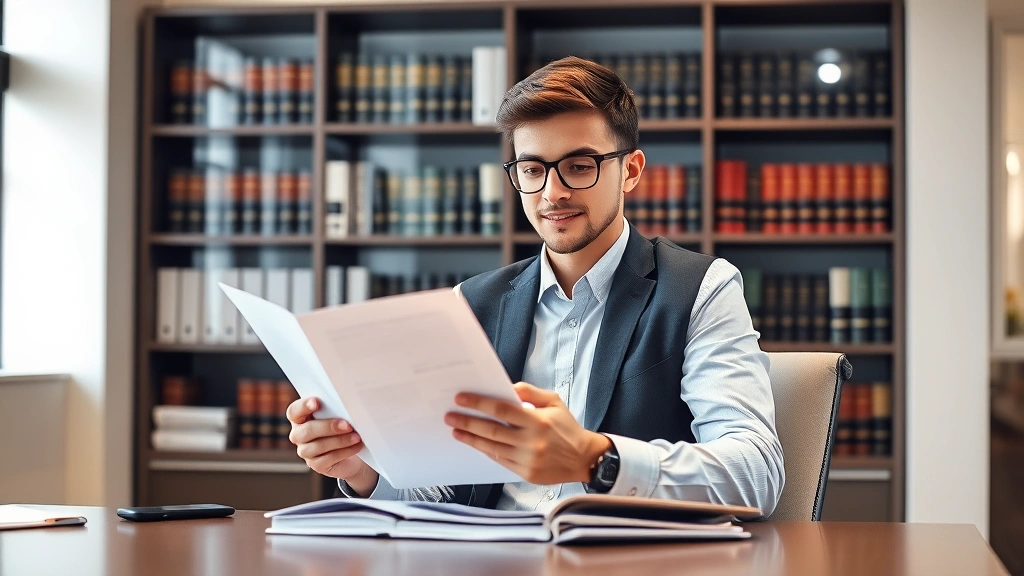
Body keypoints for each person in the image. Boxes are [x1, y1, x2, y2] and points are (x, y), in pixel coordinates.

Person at [286, 56, 784, 516]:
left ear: (630, 171)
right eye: (532, 169)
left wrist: (595, 458)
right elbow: (438, 489)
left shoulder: (701, 289)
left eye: (579, 166)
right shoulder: (470, 303)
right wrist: (361, 470)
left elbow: (756, 474)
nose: (553, 192)